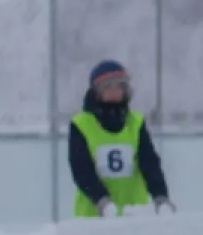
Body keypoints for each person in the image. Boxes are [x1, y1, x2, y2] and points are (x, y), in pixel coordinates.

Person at [69, 60, 173, 218]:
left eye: (119, 87)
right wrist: (101, 201)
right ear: (96, 92)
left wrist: (161, 196)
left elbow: (149, 163)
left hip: (134, 213)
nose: (114, 92)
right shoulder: (81, 124)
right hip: (93, 216)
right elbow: (82, 169)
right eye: (108, 87)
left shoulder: (136, 123)